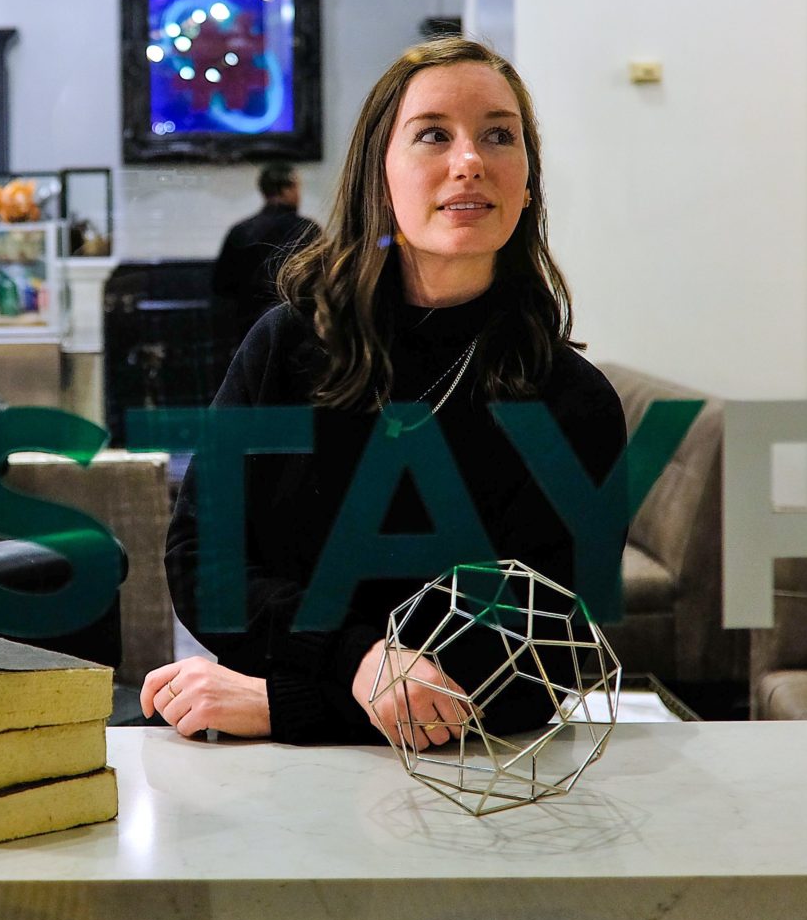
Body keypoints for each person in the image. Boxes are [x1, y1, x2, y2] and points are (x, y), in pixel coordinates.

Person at [141, 37, 627, 748]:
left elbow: (538, 668)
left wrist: (288, 703)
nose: (469, 160)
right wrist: (362, 660)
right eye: (434, 134)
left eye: (499, 134)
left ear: (527, 182)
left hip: (479, 779)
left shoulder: (572, 402)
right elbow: (204, 565)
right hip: (269, 784)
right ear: (380, 172)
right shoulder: (285, 348)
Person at [210, 163, 320, 352]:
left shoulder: (241, 231)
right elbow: (322, 281)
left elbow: (221, 286)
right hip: (300, 333)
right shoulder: (308, 231)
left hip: (250, 332)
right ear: (288, 188)